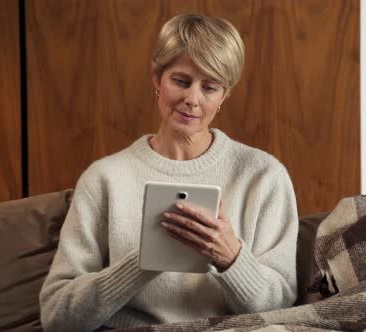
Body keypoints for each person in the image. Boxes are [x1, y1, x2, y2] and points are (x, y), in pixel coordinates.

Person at [39, 13, 299, 332]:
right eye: (181, 81)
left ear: (224, 95)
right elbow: (56, 316)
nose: (192, 99)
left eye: (210, 87)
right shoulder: (105, 178)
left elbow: (281, 307)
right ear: (156, 79)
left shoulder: (263, 176)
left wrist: (231, 257)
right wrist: (141, 263)